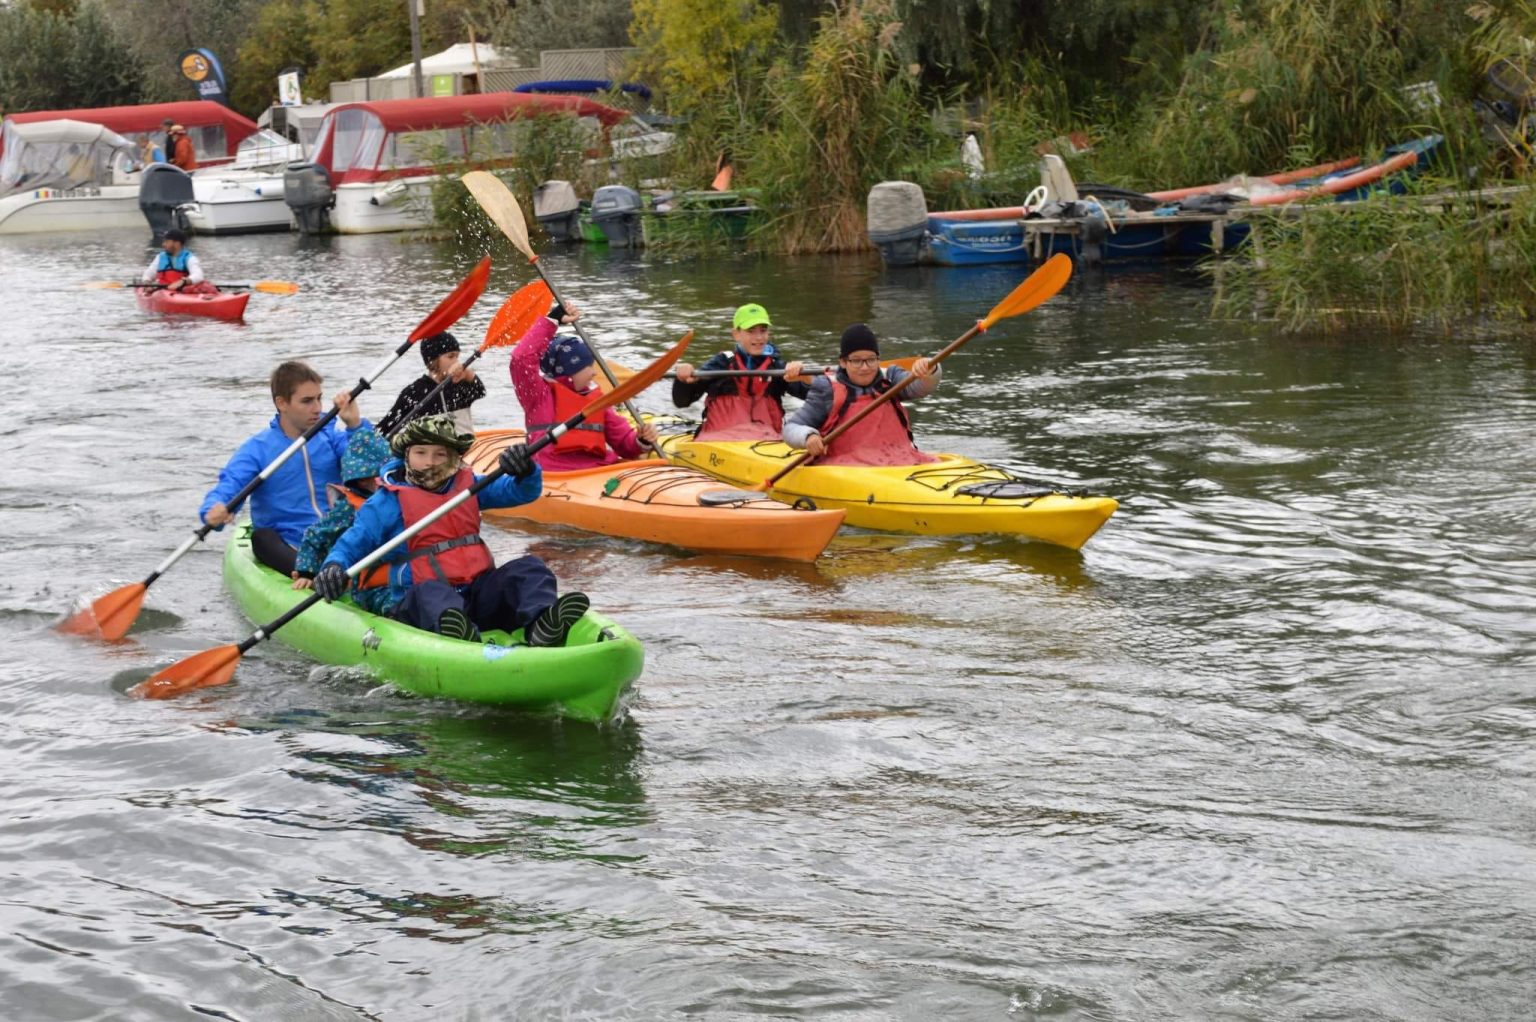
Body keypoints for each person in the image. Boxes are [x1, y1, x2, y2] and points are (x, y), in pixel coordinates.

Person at [312, 415, 590, 646]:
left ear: (453, 458)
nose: (430, 462)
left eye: (439, 454)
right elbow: (351, 543)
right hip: (417, 603)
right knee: (431, 592)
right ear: (407, 455)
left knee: (530, 569)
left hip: (474, 593)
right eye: (421, 453)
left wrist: (526, 469)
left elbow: (522, 492)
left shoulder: (470, 486)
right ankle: (459, 638)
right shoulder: (386, 502)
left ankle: (540, 624)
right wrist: (333, 567)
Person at [200, 361, 371, 577]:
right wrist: (212, 510)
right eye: (307, 401)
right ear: (281, 403)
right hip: (289, 544)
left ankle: (336, 571)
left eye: (319, 398)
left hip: (337, 535)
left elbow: (371, 470)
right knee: (261, 538)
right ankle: (312, 575)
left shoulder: (330, 437)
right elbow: (230, 486)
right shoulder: (258, 449)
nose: (318, 408)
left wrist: (355, 425)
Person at [509, 301, 659, 472]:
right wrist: (552, 320)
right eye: (588, 366)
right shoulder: (538, 395)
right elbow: (520, 359)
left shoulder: (598, 401)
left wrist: (642, 440)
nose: (594, 373)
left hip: (598, 472)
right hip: (556, 475)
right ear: (569, 369)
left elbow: (625, 444)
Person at [782, 323, 942, 466]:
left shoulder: (891, 378)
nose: (865, 367)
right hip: (848, 466)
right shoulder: (827, 389)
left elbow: (922, 387)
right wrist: (808, 437)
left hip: (900, 459)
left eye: (871, 359)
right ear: (843, 362)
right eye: (857, 361)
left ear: (878, 359)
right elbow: (791, 427)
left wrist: (930, 370)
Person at [290, 428, 397, 616]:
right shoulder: (347, 509)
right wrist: (307, 572)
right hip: (357, 580)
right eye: (368, 479)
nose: (377, 484)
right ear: (359, 481)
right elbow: (315, 535)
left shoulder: (398, 499)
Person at [671, 302, 812, 441]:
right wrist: (683, 379)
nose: (759, 337)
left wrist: (806, 378)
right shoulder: (721, 363)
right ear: (736, 334)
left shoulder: (778, 368)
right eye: (751, 331)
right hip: (718, 439)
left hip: (767, 440)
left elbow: (816, 397)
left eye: (763, 330)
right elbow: (681, 401)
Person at [377, 331, 486, 437]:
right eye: (451, 356)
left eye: (457, 357)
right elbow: (385, 429)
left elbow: (480, 391)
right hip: (434, 453)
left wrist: (467, 374)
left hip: (467, 450)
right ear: (433, 360)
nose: (457, 362)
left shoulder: (460, 384)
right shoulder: (414, 393)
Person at [140, 228, 214, 294]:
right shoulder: (160, 257)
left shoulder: (189, 258)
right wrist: (147, 284)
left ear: (177, 243)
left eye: (166, 241)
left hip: (182, 292)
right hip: (163, 292)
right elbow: (147, 275)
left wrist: (183, 281)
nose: (163, 244)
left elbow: (199, 276)